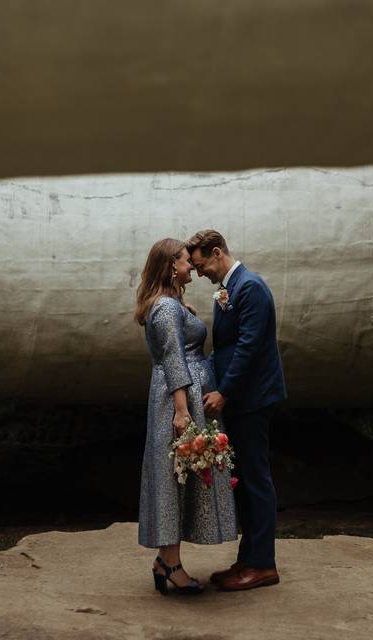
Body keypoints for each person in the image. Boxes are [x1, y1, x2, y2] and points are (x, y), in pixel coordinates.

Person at [134, 237, 236, 596]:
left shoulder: (172, 305)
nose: (190, 265)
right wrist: (181, 410)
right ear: (170, 266)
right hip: (177, 399)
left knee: (181, 476)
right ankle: (171, 564)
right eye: (184, 260)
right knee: (174, 477)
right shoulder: (165, 308)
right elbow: (174, 359)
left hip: (184, 393)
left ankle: (166, 561)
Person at [187, 229, 286, 591]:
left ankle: (263, 565)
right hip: (242, 398)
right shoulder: (228, 288)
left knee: (256, 479)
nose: (200, 274)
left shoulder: (250, 288)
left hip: (254, 398)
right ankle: (249, 559)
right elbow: (227, 346)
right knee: (243, 480)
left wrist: (224, 393)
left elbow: (249, 347)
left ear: (216, 252)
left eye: (201, 266)